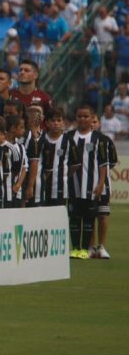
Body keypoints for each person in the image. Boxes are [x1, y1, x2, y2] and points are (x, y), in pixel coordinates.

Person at [66, 105, 107, 259]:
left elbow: (103, 164)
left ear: (92, 118)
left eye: (86, 116)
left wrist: (101, 184)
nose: (82, 119)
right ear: (75, 118)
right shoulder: (69, 137)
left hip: (91, 187)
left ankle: (86, 249)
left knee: (89, 219)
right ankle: (75, 248)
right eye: (79, 116)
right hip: (73, 187)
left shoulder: (99, 139)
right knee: (74, 219)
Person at [92, 114, 117, 259]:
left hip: (103, 184)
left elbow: (113, 161)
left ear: (99, 123)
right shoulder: (78, 139)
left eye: (95, 122)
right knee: (89, 216)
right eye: (91, 121)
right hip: (86, 185)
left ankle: (101, 247)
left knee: (102, 215)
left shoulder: (106, 140)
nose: (93, 124)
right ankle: (91, 247)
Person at [5, 114, 28, 208]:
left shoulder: (21, 147)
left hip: (16, 190)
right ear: (13, 128)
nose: (24, 130)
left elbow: (24, 167)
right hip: (4, 190)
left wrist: (18, 184)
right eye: (22, 127)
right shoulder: (2, 146)